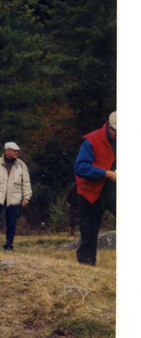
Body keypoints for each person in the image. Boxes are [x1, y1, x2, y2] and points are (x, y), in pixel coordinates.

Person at [74, 111, 116, 265]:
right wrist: (107, 173)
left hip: (111, 190)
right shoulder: (91, 140)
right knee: (89, 233)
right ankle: (86, 268)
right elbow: (80, 167)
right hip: (90, 192)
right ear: (111, 128)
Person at [0, 142, 32, 252]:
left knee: (11, 223)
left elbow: (26, 182)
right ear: (6, 151)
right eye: (14, 151)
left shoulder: (21, 165)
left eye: (17, 151)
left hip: (14, 198)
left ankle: (9, 246)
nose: (17, 152)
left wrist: (26, 197)